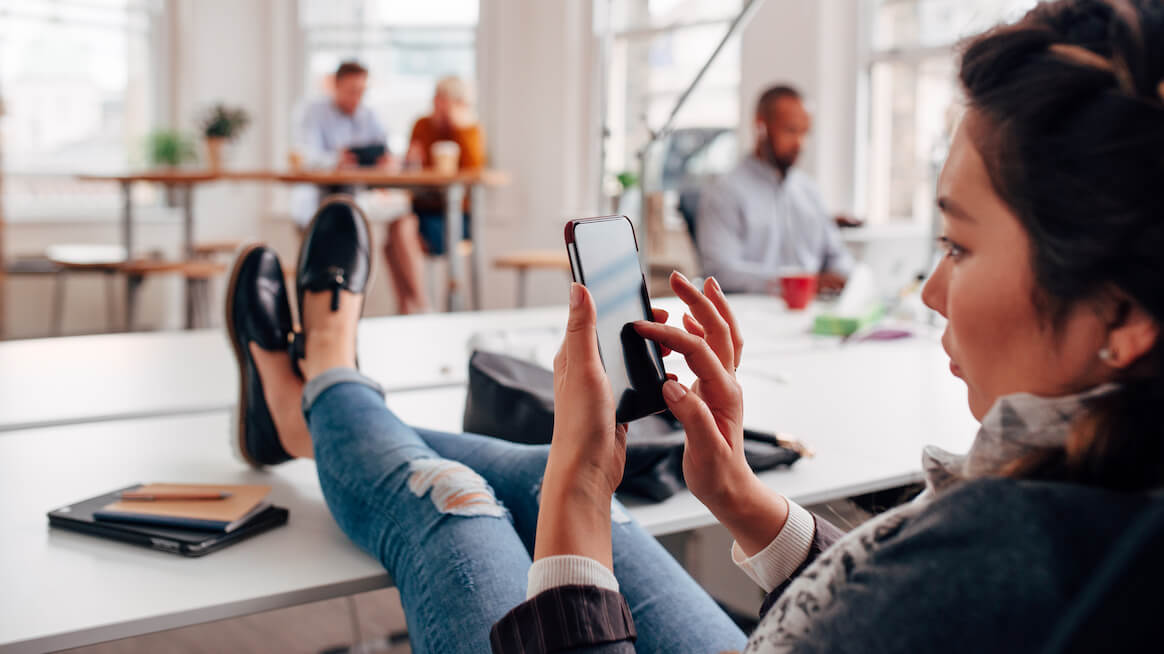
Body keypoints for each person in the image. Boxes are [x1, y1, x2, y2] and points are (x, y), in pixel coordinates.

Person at [225, 1, 1164, 651]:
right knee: (518, 466)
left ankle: (322, 380)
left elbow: (935, 599)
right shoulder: (1098, 505)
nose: (928, 293)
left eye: (957, 247)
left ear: (1120, 314)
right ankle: (317, 412)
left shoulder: (1007, 551)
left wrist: (581, 496)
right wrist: (741, 497)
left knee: (450, 502)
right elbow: (923, 619)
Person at [697, 85, 854, 294]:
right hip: (754, 315)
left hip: (815, 311)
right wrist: (797, 284)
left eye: (805, 133)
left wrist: (842, 277)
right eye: (791, 130)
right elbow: (720, 273)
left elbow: (838, 256)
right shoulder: (725, 192)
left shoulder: (809, 191)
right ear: (761, 126)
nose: (800, 144)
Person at [384, 76, 486, 314]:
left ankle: (420, 306)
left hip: (454, 215)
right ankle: (408, 309)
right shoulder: (423, 125)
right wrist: (408, 162)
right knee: (392, 239)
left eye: (444, 101)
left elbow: (475, 171)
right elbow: (412, 169)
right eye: (436, 100)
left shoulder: (469, 130)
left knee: (400, 231)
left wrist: (459, 126)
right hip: (423, 209)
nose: (437, 106)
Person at [290, 60, 391, 229]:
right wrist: (335, 160)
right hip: (317, 197)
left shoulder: (369, 114)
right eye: (352, 91)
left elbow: (383, 147)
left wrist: (384, 159)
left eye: (361, 92)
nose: (357, 98)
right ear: (336, 86)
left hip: (354, 196)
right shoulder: (312, 111)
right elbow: (305, 156)